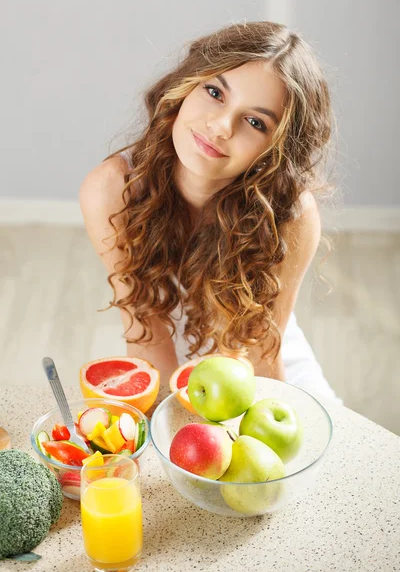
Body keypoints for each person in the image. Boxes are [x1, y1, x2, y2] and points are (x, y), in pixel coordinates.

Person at [80, 21, 343, 405]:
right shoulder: (113, 189)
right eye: (215, 92)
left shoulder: (291, 214)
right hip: (171, 364)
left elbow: (260, 357)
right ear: (187, 85)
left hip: (262, 367)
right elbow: (148, 339)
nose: (221, 126)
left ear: (277, 149)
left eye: (256, 122)